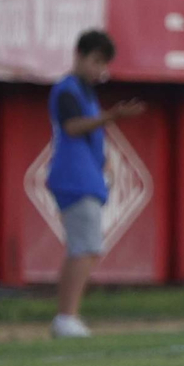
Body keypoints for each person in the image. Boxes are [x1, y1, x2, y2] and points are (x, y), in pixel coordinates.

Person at [47, 29, 144, 339]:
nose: (100, 70)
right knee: (84, 246)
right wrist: (113, 116)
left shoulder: (85, 92)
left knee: (87, 247)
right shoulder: (67, 90)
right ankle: (66, 316)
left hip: (85, 176)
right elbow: (73, 127)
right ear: (79, 55)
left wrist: (103, 162)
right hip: (74, 179)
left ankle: (67, 316)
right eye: (96, 61)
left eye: (104, 64)